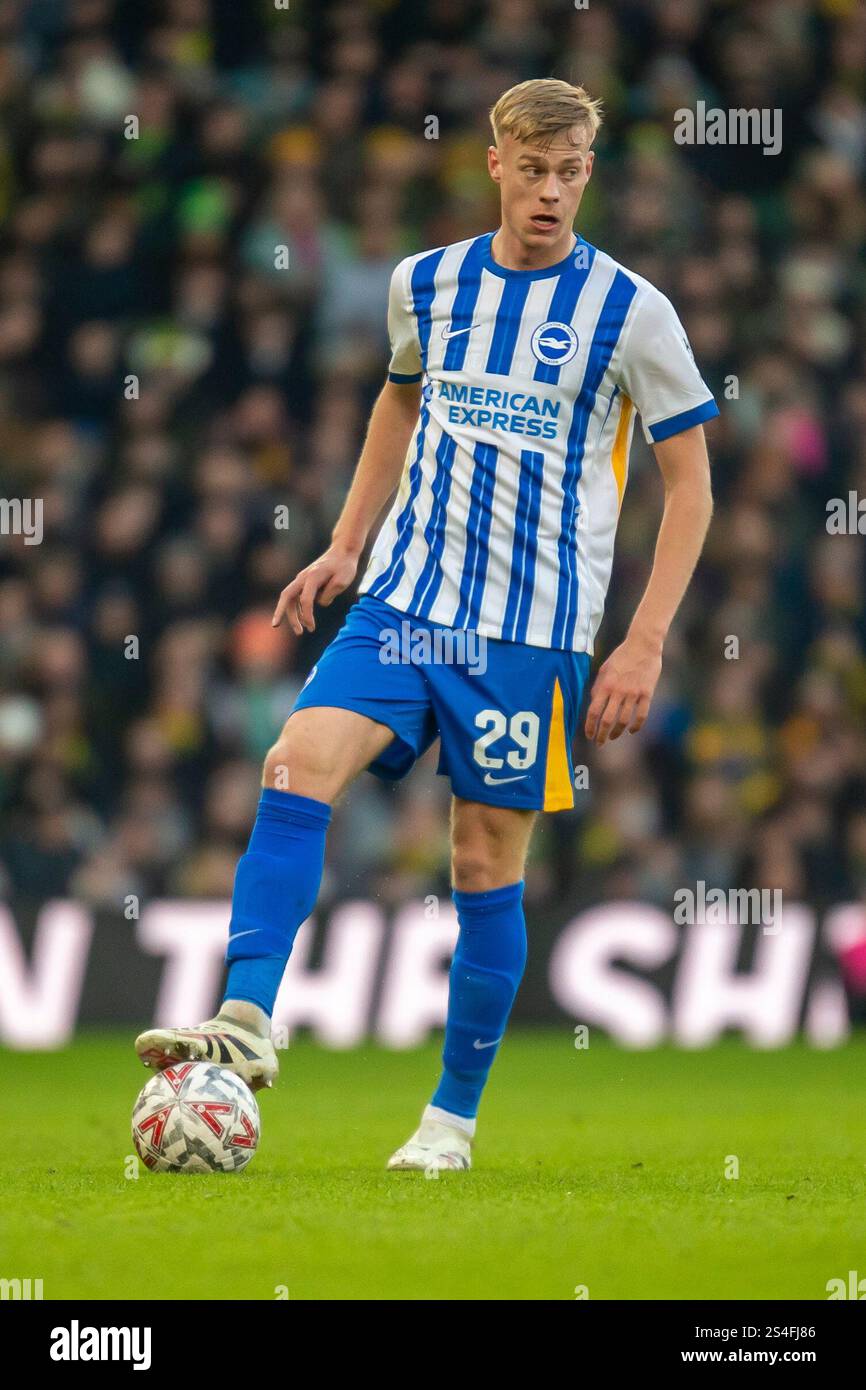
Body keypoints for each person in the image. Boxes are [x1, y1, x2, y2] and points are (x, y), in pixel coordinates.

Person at [135, 78, 717, 1172]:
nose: (550, 192)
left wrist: (640, 642)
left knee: (482, 861)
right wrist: (347, 542)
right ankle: (248, 1018)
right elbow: (399, 399)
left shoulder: (631, 312)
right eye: (532, 169)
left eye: (570, 171)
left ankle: (447, 1121)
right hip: (403, 602)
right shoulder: (427, 283)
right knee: (292, 761)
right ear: (492, 164)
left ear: (588, 172)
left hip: (529, 632)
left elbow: (689, 484)